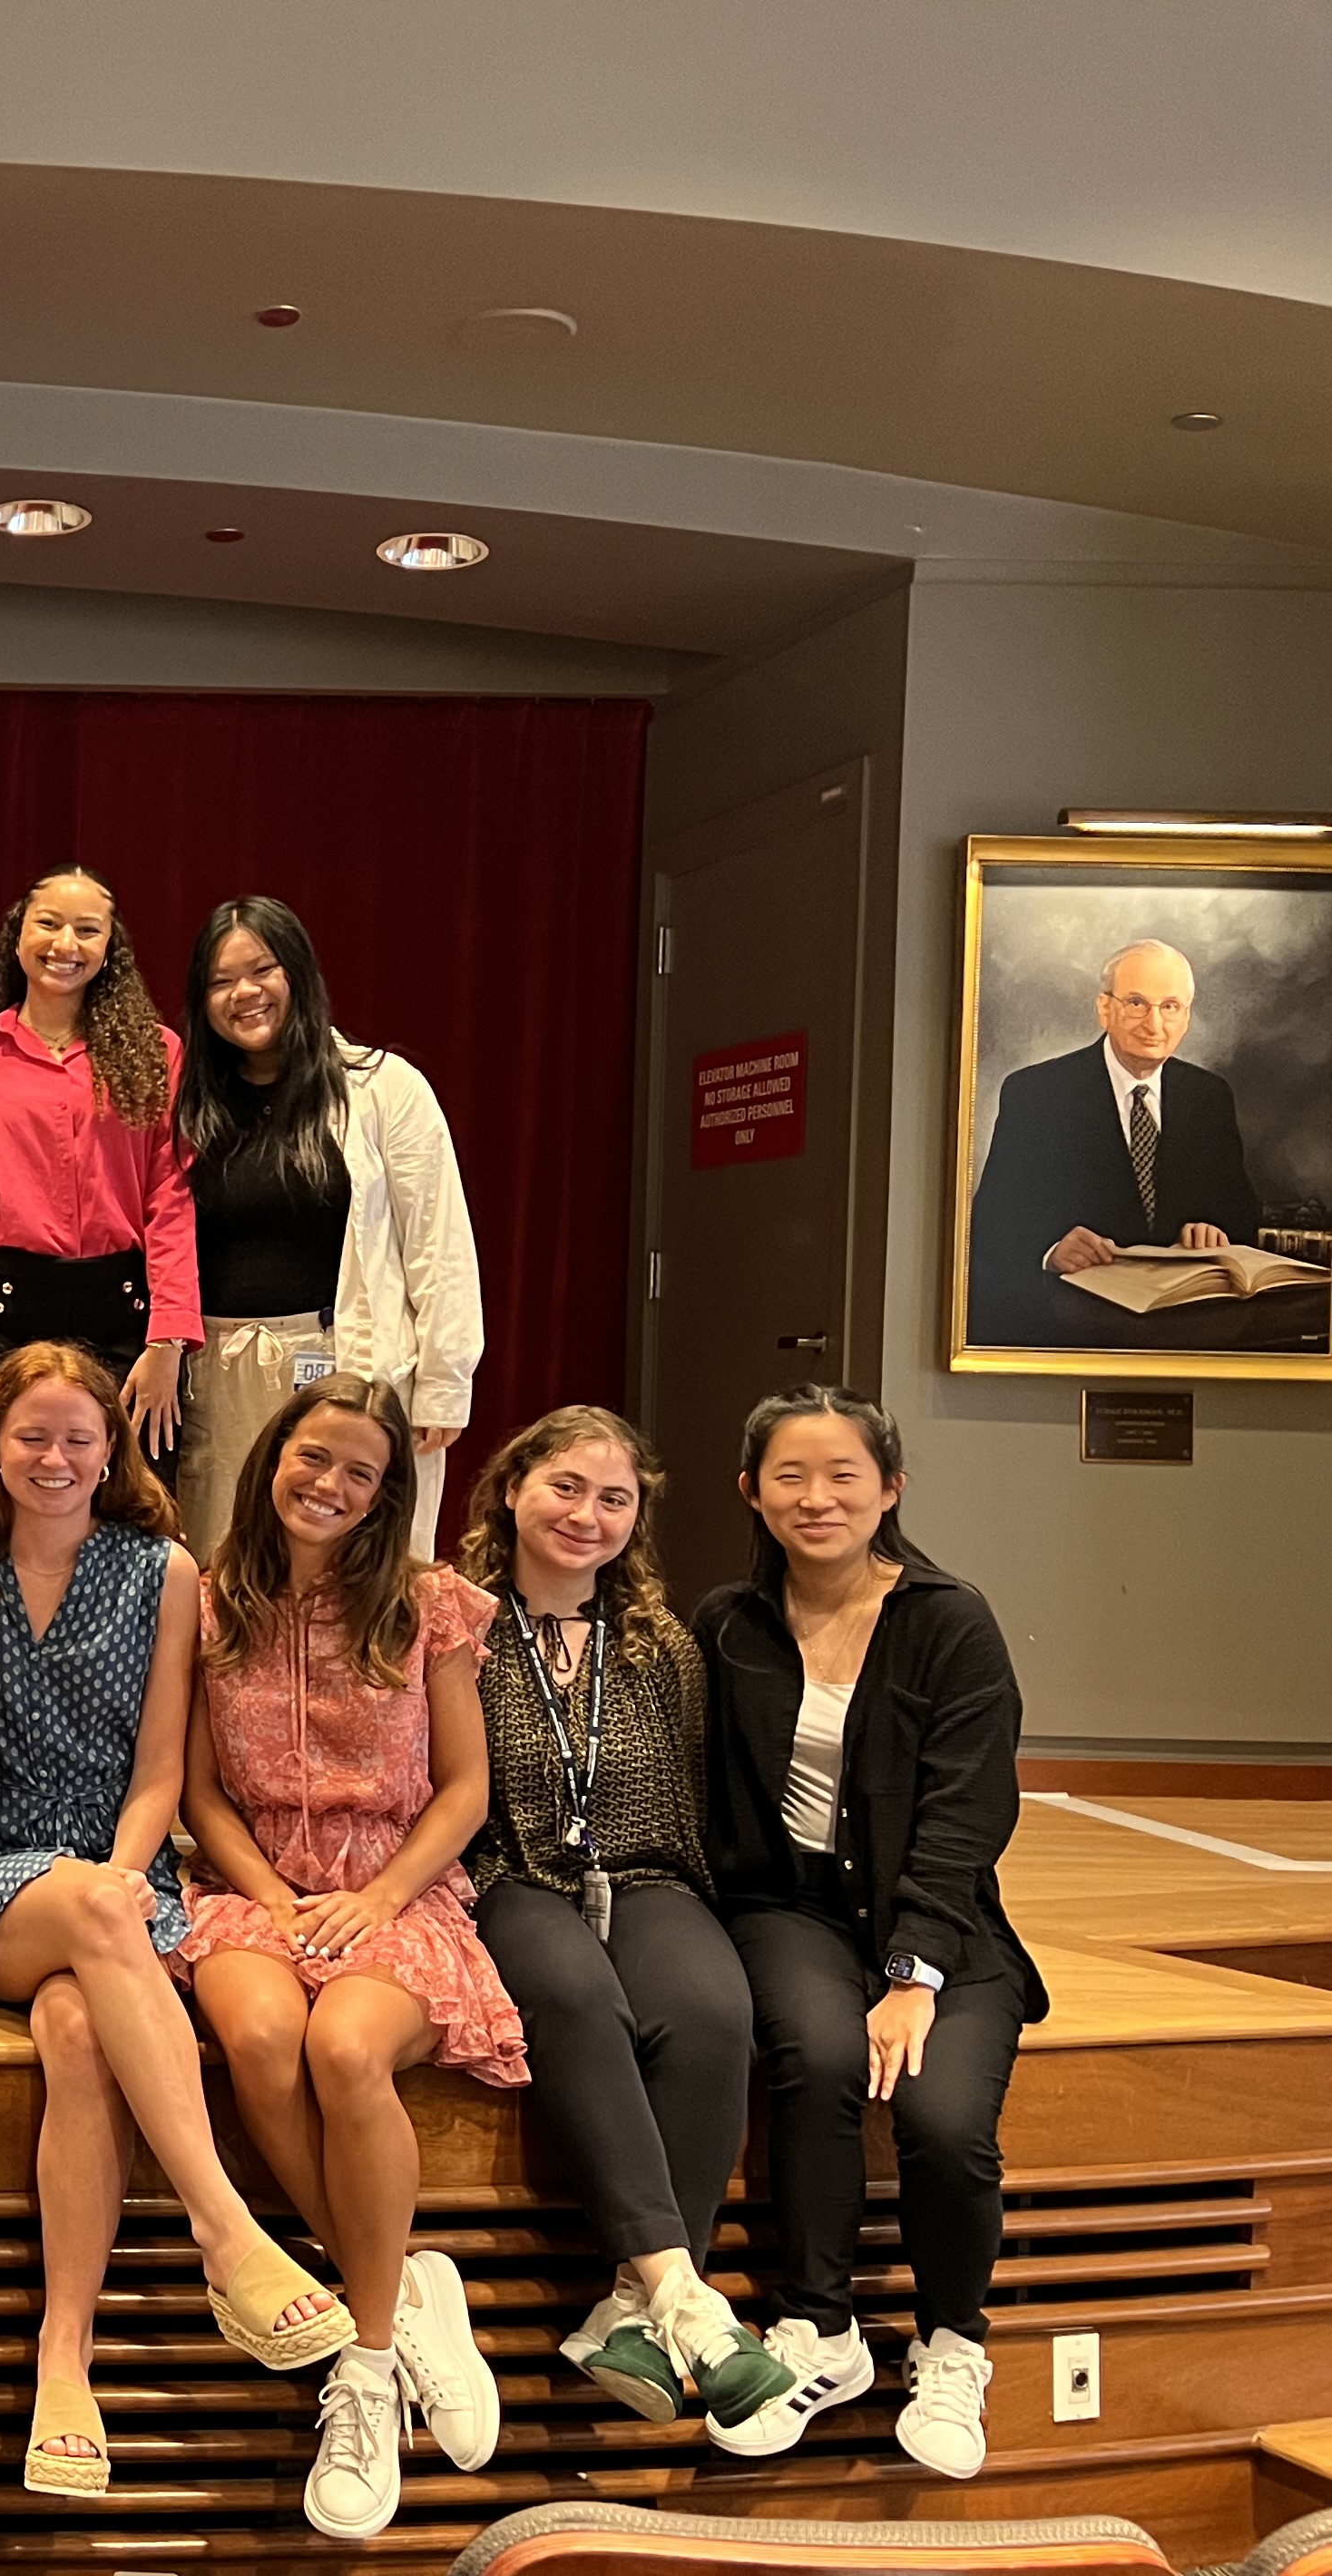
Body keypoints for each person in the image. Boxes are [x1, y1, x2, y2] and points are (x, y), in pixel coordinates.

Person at [0, 1342, 351, 2499]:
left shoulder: (162, 1569)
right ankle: (228, 2230)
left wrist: (123, 1875)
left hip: (120, 1874)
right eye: (31, 1437)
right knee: (89, 1924)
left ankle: (63, 2361)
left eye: (79, 1437)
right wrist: (98, 1892)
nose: (56, 1458)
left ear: (113, 1446)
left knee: (80, 2033)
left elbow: (162, 1772)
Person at [176, 1371, 512, 2543]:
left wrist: (374, 1897)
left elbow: (466, 1789)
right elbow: (198, 1791)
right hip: (249, 1882)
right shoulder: (210, 1602)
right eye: (311, 1459)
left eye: (358, 1473)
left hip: (394, 1890)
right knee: (262, 2033)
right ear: (272, 1458)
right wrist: (272, 1895)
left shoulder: (432, 1605)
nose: (328, 1484)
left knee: (345, 2044)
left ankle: (361, 2365)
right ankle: (406, 2289)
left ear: (385, 1496)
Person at [694, 1384, 1043, 2480]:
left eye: (845, 1474)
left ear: (889, 1489)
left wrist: (914, 1971)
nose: (817, 1497)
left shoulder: (949, 1620)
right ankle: (821, 2328)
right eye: (790, 1475)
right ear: (750, 1492)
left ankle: (953, 2344)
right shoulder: (726, 1624)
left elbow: (969, 1812)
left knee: (942, 2120)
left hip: (937, 1927)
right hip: (791, 1910)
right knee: (820, 2055)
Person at [451, 1407, 790, 2450]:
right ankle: (688, 2295)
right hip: (516, 1876)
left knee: (710, 2005)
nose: (585, 1515)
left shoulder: (660, 1647)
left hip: (645, 1876)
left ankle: (632, 2310)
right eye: (563, 1487)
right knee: (575, 1996)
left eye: (613, 1498)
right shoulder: (456, 1626)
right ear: (510, 1489)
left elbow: (688, 1800)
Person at [171, 895, 482, 1557]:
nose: (244, 994)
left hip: (341, 1362)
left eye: (262, 971)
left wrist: (445, 1386)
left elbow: (440, 1245)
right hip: (218, 1377)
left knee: (352, 1570)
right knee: (228, 1571)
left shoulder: (384, 1088)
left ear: (299, 976)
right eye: (221, 982)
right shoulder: (188, 1105)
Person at [0, 866, 199, 1470]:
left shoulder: (158, 1054)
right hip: (2, 1317)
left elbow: (172, 1199)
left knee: (131, 1510)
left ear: (109, 948)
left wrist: (168, 1340)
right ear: (18, 937)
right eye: (49, 923)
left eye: (87, 930)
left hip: (125, 1315)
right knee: (3, 1513)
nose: (66, 944)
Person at [965, 938, 1264, 1345]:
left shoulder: (1209, 1095)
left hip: (1185, 1328)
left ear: (1187, 1017)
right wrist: (1050, 1251)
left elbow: (1242, 1212)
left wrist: (1215, 1231)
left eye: (1170, 1007)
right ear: (1105, 1009)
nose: (1154, 1025)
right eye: (1137, 1003)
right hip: (1068, 1327)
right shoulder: (1036, 1092)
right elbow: (992, 1222)